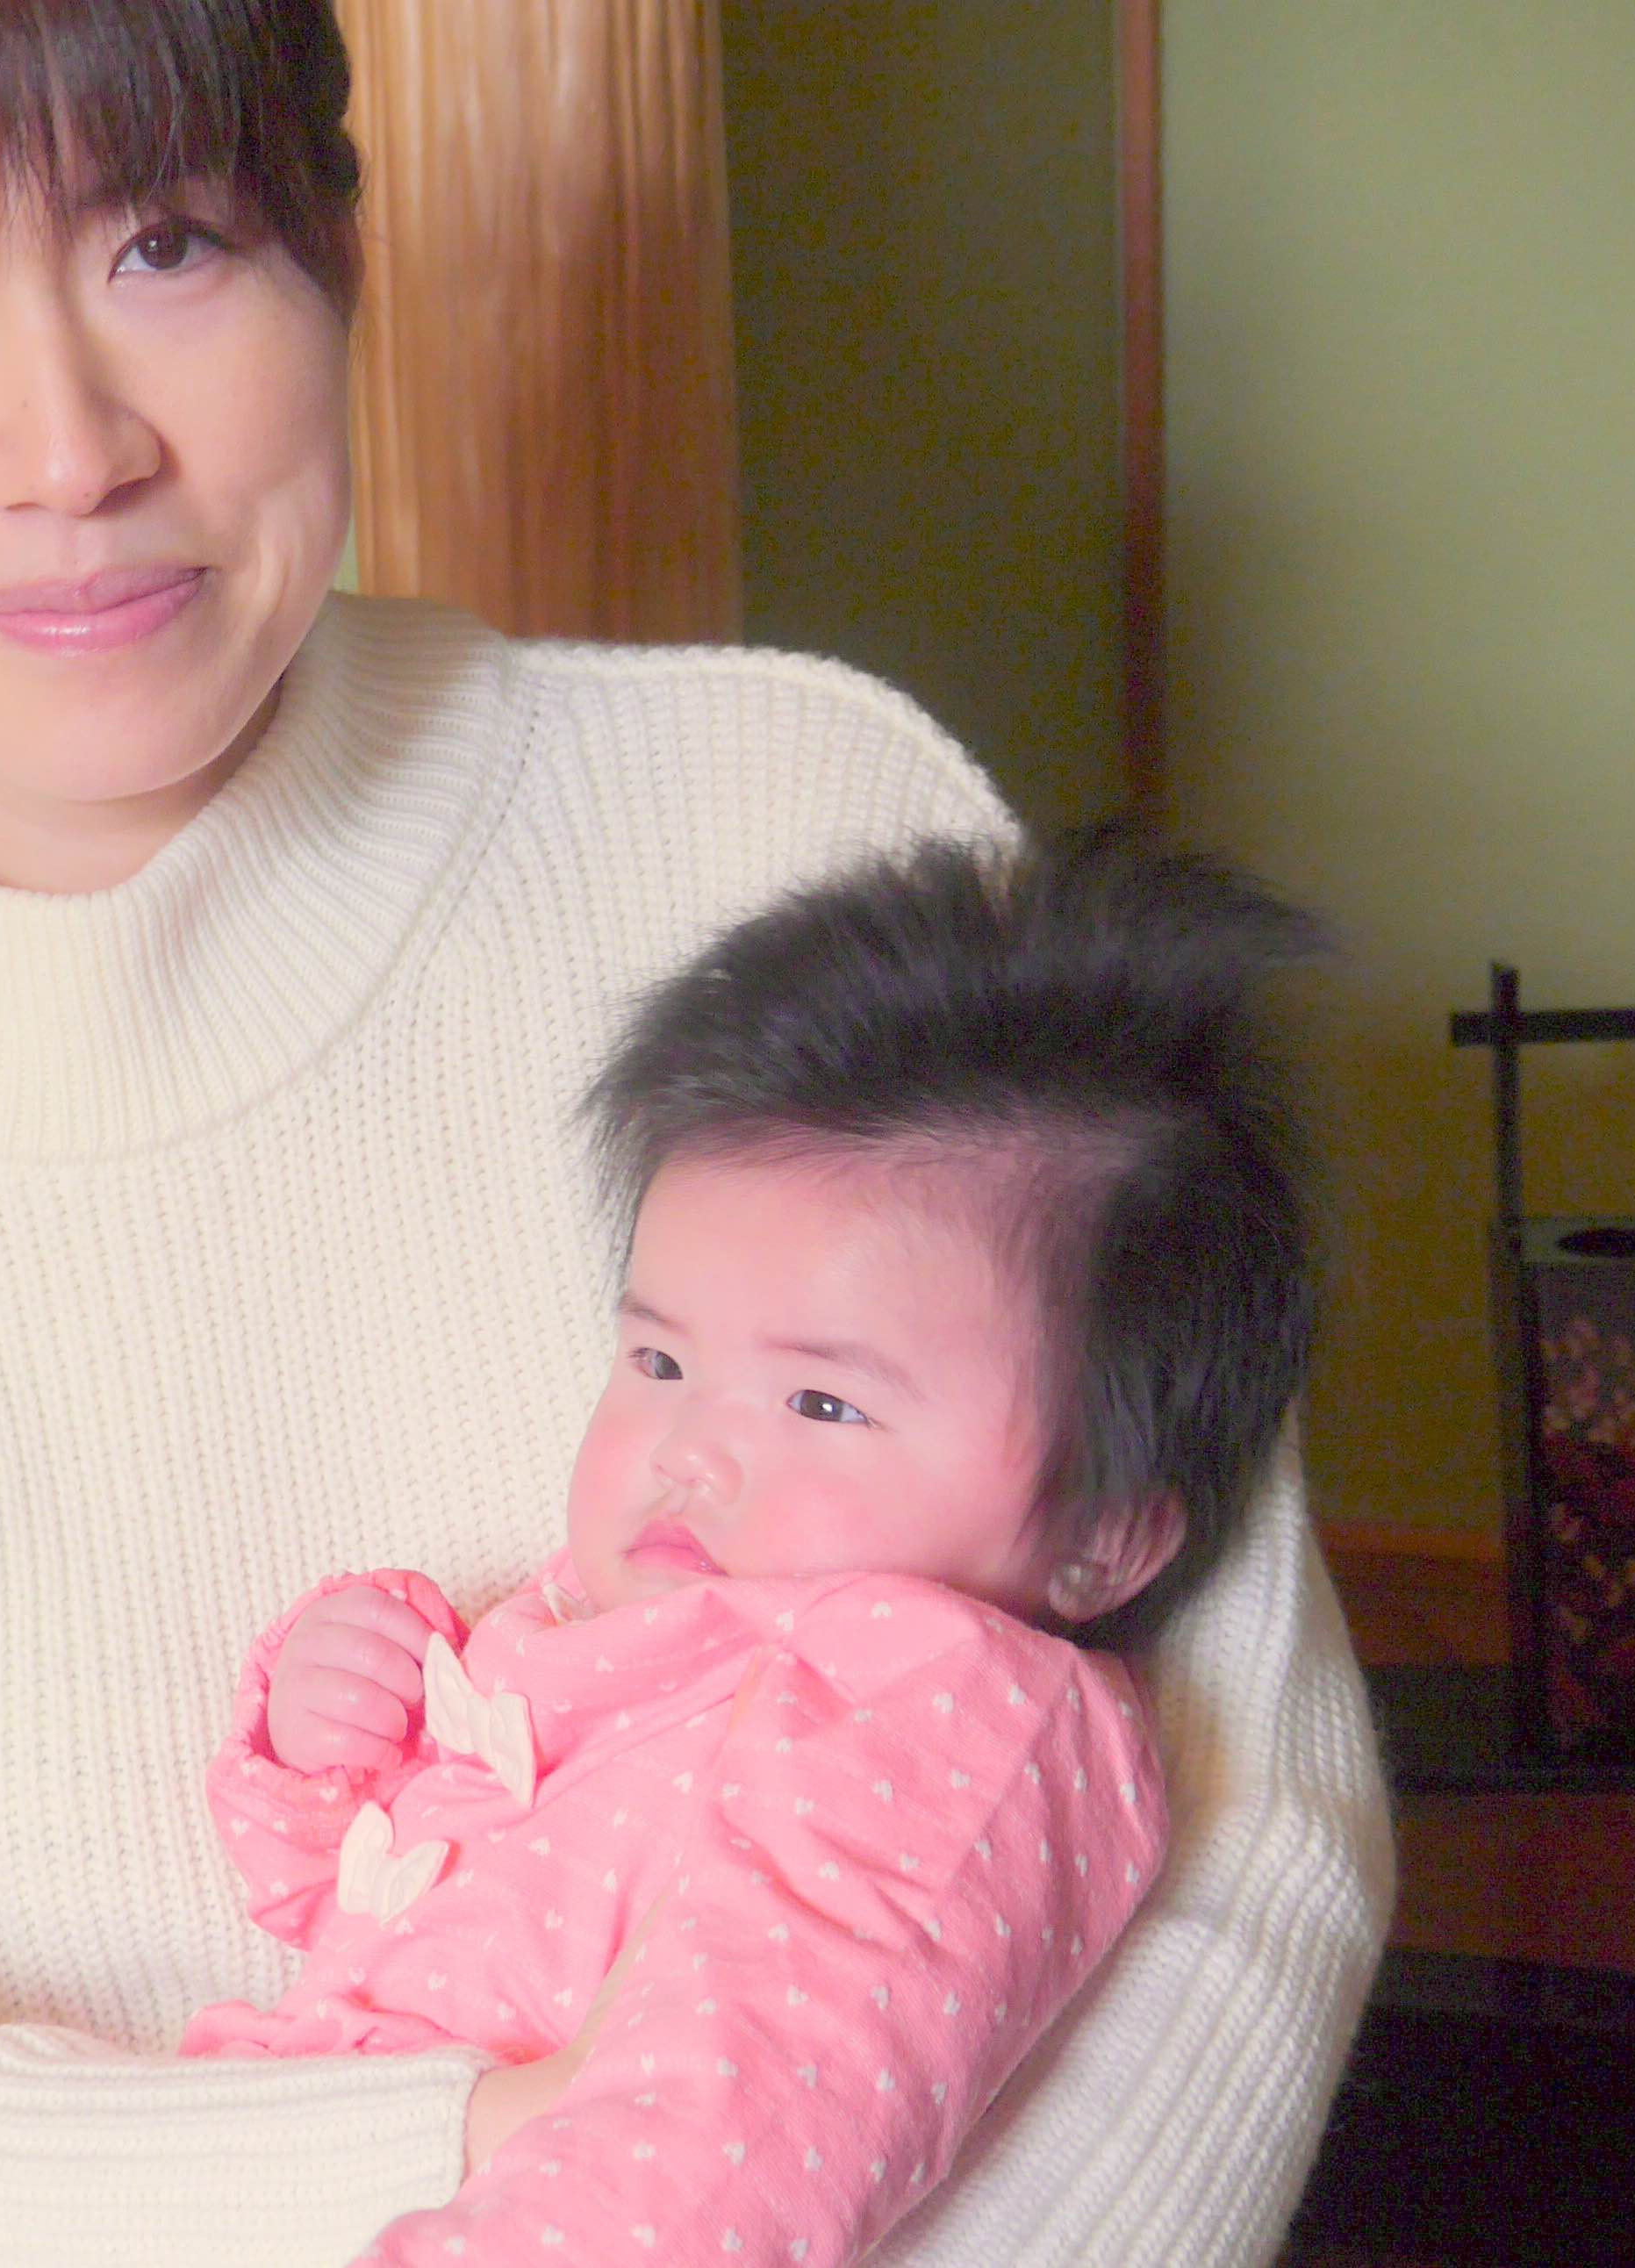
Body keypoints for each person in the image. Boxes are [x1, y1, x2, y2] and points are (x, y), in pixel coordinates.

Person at [0, 4, 1394, 2263]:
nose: (67, 448)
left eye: (169, 245)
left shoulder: (802, 827)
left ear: (342, 247)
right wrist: (519, 2135)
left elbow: (1231, 1843)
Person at [182, 836, 1323, 2266]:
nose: (691, 1450)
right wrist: (334, 1746)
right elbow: (344, 1911)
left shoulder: (945, 1709)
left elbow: (734, 2138)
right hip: (257, 2151)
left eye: (821, 1403)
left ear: (1101, 1538)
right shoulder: (602, 1624)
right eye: (659, 1361)